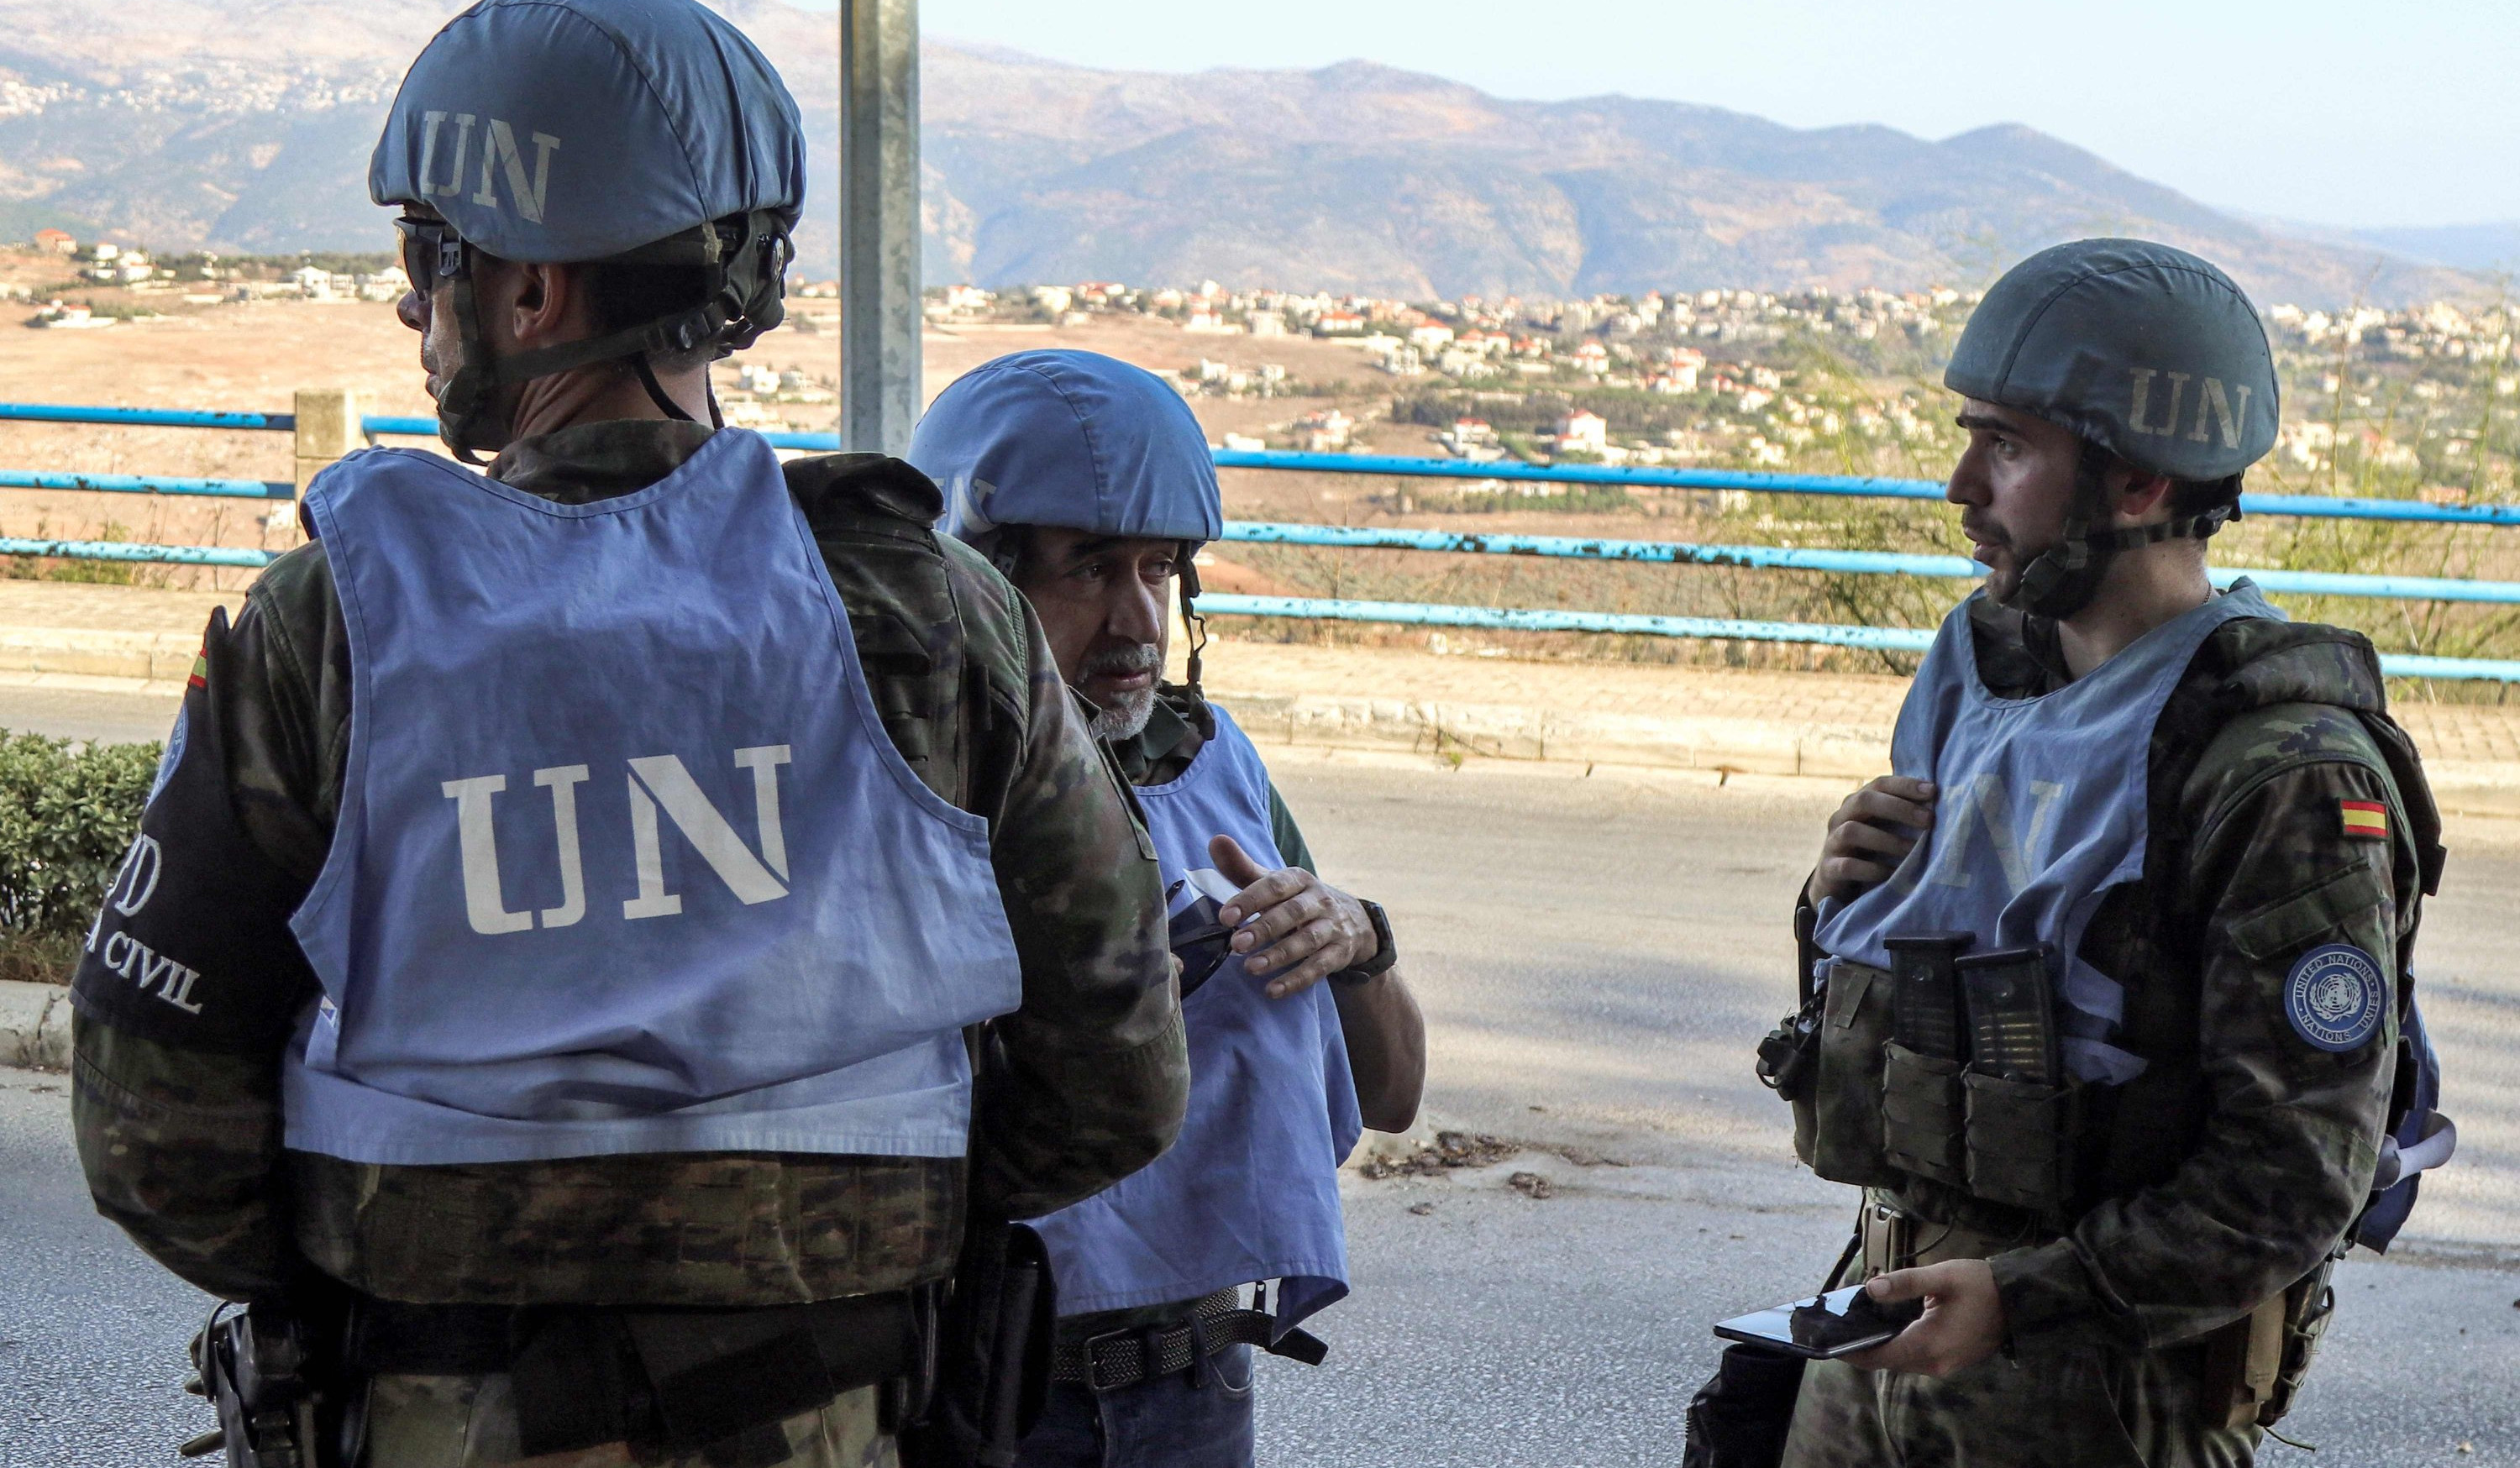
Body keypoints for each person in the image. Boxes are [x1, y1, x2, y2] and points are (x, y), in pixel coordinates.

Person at [67, 4, 1187, 1465]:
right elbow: (1115, 1073)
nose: (413, 309)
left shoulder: (331, 623)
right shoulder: (937, 616)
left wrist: (393, 1295)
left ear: (529, 293)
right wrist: (833, 1244)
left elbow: (155, 1129)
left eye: (428, 259)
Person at [1767, 239, 2449, 1466]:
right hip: (1886, 1323)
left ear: (2135, 487)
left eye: (2010, 447)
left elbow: (2296, 1178)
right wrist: (1837, 903)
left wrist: (2029, 1298)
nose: (1961, 486)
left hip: (2094, 1392)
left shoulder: (2280, 773)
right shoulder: (1987, 678)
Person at [907, 350, 1428, 1468]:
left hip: (1192, 1390)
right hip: (976, 1394)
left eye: (1162, 568)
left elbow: (1391, 1095)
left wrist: (1357, 939)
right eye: (1090, 571)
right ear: (975, 578)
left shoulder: (1210, 766)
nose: (1138, 620)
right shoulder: (908, 786)